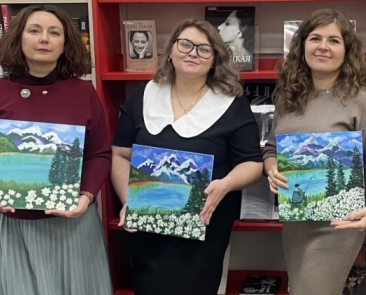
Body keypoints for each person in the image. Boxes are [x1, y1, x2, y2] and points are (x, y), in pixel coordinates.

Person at [111, 19, 263, 295]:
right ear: (171, 50)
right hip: (149, 226)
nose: (193, 53)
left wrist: (226, 184)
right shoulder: (144, 95)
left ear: (215, 59)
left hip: (204, 227)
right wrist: (128, 199)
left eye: (204, 49)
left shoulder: (232, 104)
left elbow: (252, 163)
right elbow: (121, 154)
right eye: (185, 44)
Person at [0, 4, 112, 294]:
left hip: (71, 225)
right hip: (9, 226)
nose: (44, 38)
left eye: (54, 32)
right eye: (34, 31)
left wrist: (85, 197)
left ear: (65, 43)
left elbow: (99, 154)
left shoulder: (84, 93)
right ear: (18, 38)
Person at [264, 9, 366, 295]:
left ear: (347, 51)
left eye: (334, 40)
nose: (323, 46)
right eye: (315, 38)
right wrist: (272, 169)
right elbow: (272, 149)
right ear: (302, 45)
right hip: (296, 223)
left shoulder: (362, 101)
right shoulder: (288, 99)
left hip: (338, 225)